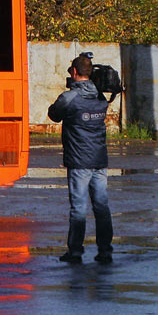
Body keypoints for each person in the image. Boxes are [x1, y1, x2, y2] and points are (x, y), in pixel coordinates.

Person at [47, 53, 114, 264]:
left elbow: (53, 114)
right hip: (99, 160)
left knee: (78, 208)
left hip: (78, 162)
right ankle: (105, 252)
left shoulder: (69, 98)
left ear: (74, 72)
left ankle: (75, 252)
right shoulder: (100, 97)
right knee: (101, 207)